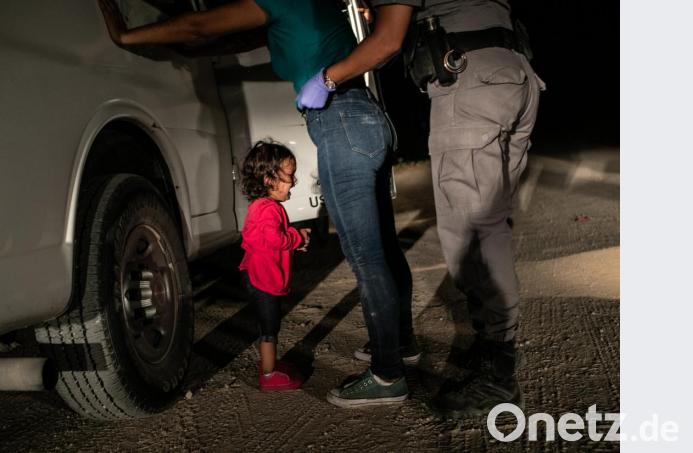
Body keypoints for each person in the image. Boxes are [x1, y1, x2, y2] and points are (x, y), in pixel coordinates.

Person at [98, 0, 417, 408]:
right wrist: (184, 48)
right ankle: (400, 343)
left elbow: (198, 25)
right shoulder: (302, 9)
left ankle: (388, 373)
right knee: (384, 250)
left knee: (366, 257)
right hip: (366, 118)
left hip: (339, 121)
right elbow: (218, 40)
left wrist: (125, 36)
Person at [297, 0, 545, 417]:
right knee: (491, 227)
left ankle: (497, 375)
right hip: (514, 74)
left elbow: (387, 40)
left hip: (471, 84)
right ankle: (494, 352)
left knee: (471, 237)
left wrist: (327, 77)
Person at [238, 141, 309, 391]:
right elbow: (274, 239)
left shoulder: (261, 207)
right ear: (269, 179)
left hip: (255, 275)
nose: (294, 181)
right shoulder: (269, 209)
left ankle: (270, 365)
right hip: (263, 279)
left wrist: (293, 236)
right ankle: (268, 375)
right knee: (269, 327)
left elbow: (265, 238)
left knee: (268, 325)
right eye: (289, 176)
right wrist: (296, 238)